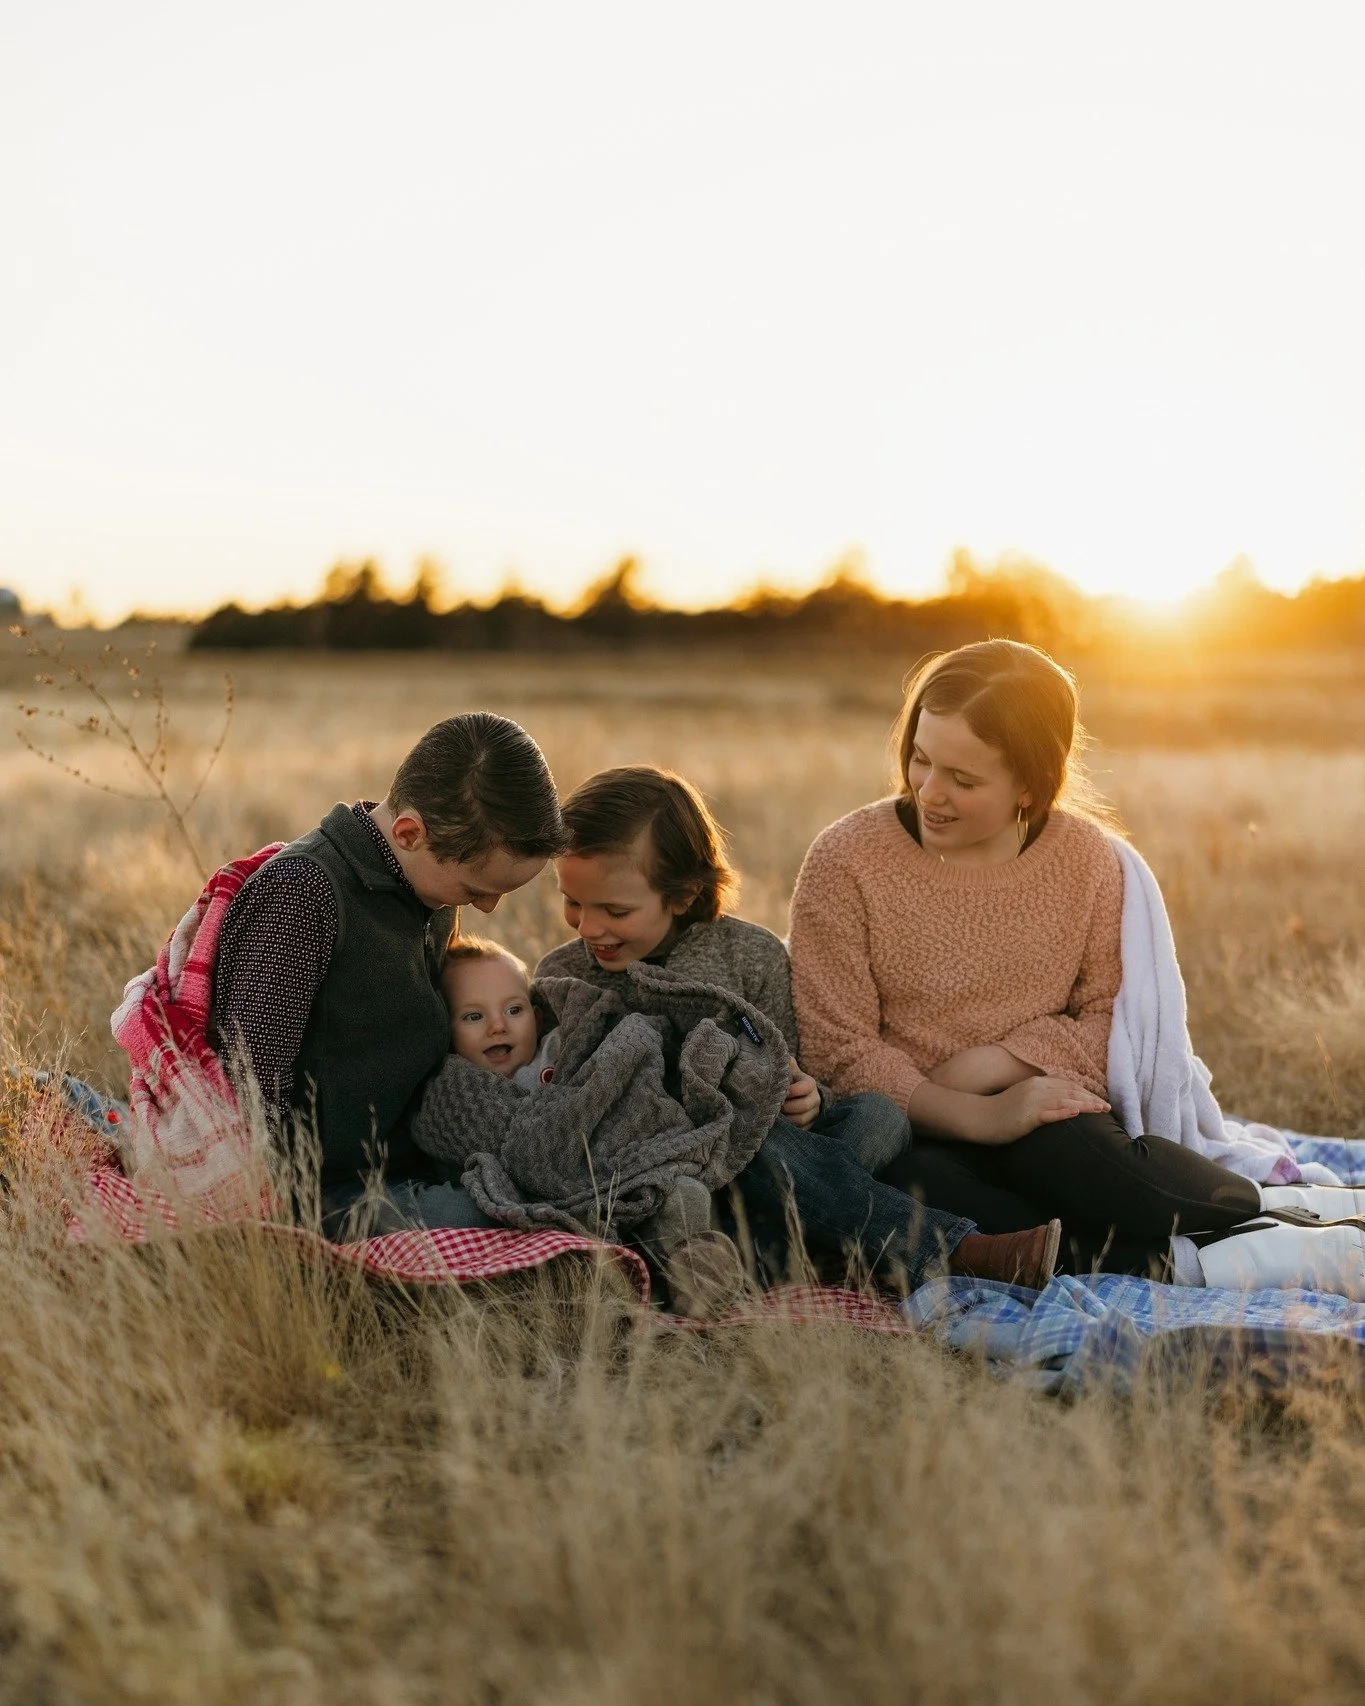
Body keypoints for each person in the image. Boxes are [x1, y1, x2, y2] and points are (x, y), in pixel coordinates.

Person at [788, 638, 1364, 1287]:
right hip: (909, 1128)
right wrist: (972, 1113)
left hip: (1042, 1104)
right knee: (956, 1220)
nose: (929, 792)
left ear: (1031, 785)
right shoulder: (846, 861)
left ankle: (1298, 1213)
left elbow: (1110, 1021)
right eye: (919, 760)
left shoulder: (1087, 862)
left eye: (963, 779)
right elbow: (837, 1047)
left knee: (1100, 1179)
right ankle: (1240, 1260)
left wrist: (998, 1070)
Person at [535, 764, 1063, 1292]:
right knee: (763, 1148)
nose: (589, 927)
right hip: (666, 1173)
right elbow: (567, 1100)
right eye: (572, 902)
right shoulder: (564, 976)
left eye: (615, 910)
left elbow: (789, 1070)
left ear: (684, 894)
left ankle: (778, 1253)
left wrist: (810, 1099)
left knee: (879, 1117)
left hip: (767, 1155)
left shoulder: (749, 955)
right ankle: (955, 1251)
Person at [209, 711, 564, 1236]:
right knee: (485, 1220)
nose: (488, 907)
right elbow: (248, 1078)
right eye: (476, 888)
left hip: (413, 1156)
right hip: (323, 1187)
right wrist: (275, 1221)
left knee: (558, 1189)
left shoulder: (424, 884)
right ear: (409, 831)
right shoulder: (303, 895)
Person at [436, 933, 753, 1314]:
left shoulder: (561, 1047)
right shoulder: (462, 1090)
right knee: (575, 1240)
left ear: (537, 1017)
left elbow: (613, 1082)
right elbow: (484, 1149)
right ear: (447, 1031)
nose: (498, 1027)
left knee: (683, 1193)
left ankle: (697, 1273)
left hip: (621, 1166)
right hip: (560, 1195)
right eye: (474, 1016)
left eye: (514, 1010)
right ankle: (621, 1289)